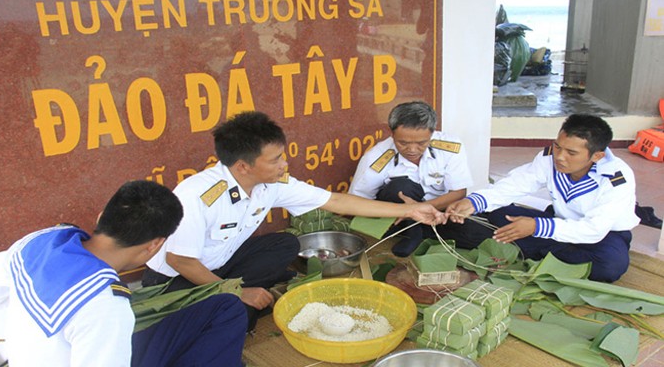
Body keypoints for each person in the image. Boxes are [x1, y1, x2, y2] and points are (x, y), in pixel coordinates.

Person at [142, 111, 445, 331]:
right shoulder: (197, 195)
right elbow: (180, 260)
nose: (284, 165)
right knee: (236, 317)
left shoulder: (273, 184)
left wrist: (409, 211)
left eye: (282, 156)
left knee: (285, 244)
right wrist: (235, 292)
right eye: (275, 160)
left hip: (221, 263)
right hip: (177, 279)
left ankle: (242, 298)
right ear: (243, 166)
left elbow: (337, 201)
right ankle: (239, 300)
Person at [0, 180, 247, 367]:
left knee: (221, 308)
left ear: (101, 217)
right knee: (227, 309)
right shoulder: (105, 305)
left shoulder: (38, 240)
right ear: (154, 245)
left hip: (18, 355)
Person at [446, 114, 640, 282]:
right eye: (558, 147)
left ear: (597, 156)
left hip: (603, 236)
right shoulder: (549, 158)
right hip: (558, 223)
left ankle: (532, 248)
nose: (560, 157)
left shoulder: (616, 179)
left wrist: (536, 227)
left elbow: (594, 230)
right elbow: (516, 184)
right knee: (497, 213)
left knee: (609, 266)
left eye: (571, 153)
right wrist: (473, 202)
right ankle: (550, 252)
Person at [349, 101, 474, 257]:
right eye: (403, 143)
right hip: (397, 217)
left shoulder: (450, 147)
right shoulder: (376, 158)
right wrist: (405, 211)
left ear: (432, 133)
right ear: (392, 133)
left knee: (475, 235)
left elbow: (459, 192)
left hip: (437, 213)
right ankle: (411, 234)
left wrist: (421, 209)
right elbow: (357, 202)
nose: (412, 150)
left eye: (422, 143)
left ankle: (422, 233)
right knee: (401, 187)